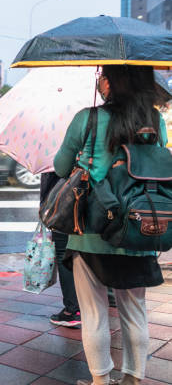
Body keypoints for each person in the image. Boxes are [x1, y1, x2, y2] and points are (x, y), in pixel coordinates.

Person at [54, 65, 167, 385]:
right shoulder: (155, 121)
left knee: (94, 314)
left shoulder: (86, 118)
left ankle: (101, 382)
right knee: (135, 311)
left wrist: (84, 158)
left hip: (91, 233)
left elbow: (61, 167)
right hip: (139, 229)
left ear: (115, 80)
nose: (99, 79)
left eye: (102, 73)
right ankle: (133, 379)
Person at [39, 172, 81, 328]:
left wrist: (44, 207)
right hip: (93, 204)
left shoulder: (57, 149)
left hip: (64, 205)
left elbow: (56, 172)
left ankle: (72, 310)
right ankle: (108, 297)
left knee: (64, 255)